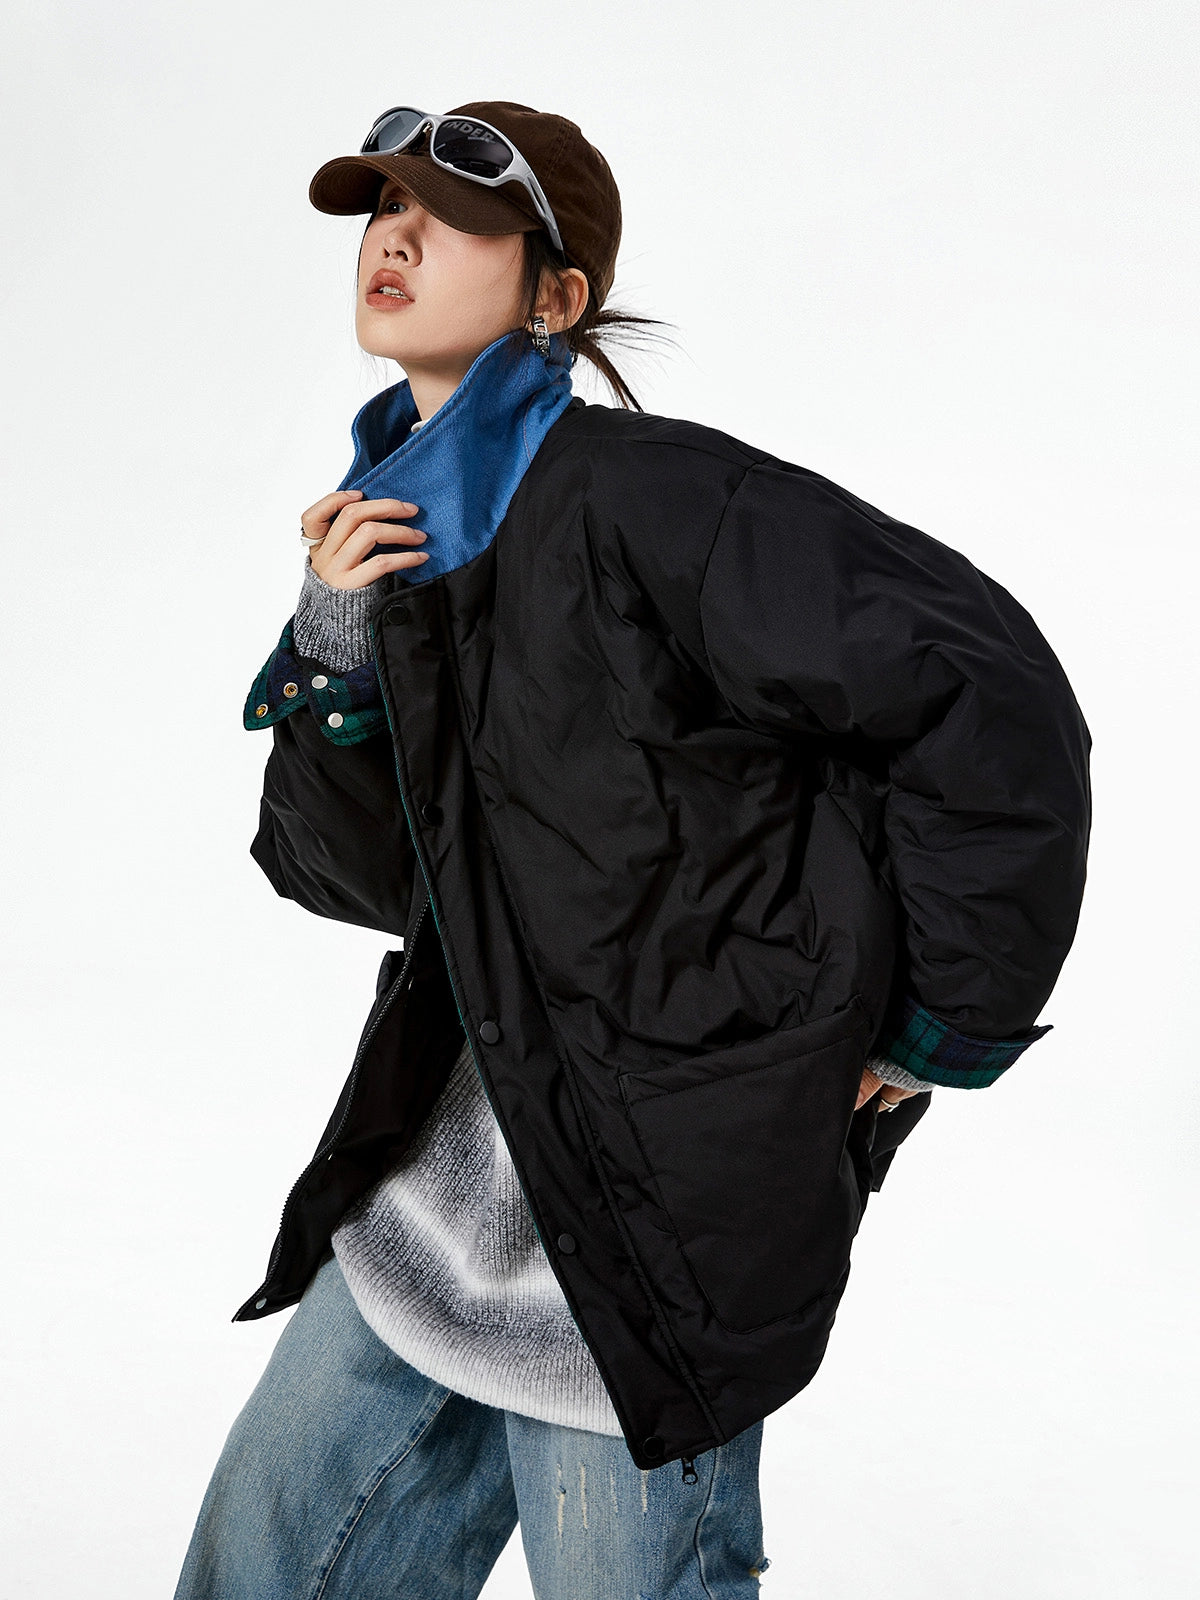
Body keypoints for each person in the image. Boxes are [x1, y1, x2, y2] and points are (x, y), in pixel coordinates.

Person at [172, 102, 1092, 1598]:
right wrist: (336, 646)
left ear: (556, 297)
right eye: (381, 211)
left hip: (653, 1251)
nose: (394, 237)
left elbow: (987, 694)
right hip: (426, 1220)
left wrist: (936, 1028)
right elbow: (366, 884)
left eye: (453, 218)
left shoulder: (655, 496)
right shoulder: (393, 537)